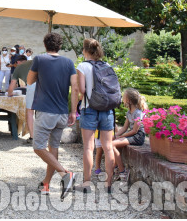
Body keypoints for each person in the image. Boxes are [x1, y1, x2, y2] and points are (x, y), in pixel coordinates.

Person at [27, 33, 78, 198]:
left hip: (45, 111)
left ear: (45, 44)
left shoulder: (39, 60)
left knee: (38, 147)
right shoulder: (69, 62)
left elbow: (29, 81)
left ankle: (65, 174)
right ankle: (46, 185)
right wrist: (73, 111)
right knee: (53, 148)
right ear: (60, 46)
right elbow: (75, 89)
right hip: (62, 112)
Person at [76, 38, 116, 193]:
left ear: (85, 50)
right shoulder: (107, 65)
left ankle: (86, 184)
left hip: (90, 108)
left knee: (88, 147)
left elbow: (82, 91)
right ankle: (108, 184)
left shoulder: (82, 66)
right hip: (107, 109)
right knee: (108, 146)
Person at [112, 88, 147, 183]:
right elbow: (124, 128)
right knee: (113, 143)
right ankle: (116, 168)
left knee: (112, 145)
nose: (123, 99)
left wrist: (121, 137)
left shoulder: (138, 113)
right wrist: (115, 135)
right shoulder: (129, 112)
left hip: (138, 136)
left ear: (129, 100)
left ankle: (122, 171)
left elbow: (135, 130)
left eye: (124, 97)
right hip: (133, 134)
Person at [7, 54, 34, 143]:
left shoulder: (18, 68)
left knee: (30, 112)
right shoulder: (33, 62)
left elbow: (11, 87)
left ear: (18, 62)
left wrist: (10, 93)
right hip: (44, 85)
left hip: (32, 86)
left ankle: (32, 137)